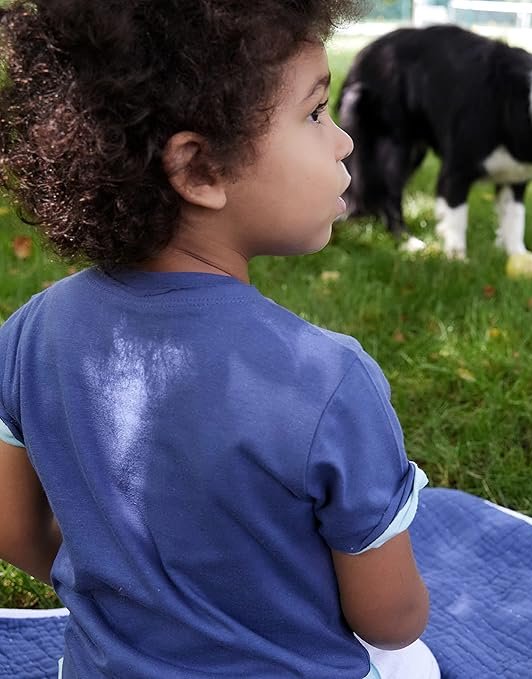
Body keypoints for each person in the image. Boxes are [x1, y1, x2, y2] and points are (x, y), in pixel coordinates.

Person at [0, 2, 440, 677]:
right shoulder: (327, 380)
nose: (343, 142)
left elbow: (15, 529)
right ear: (200, 169)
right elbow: (389, 617)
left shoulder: (31, 329)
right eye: (315, 113)